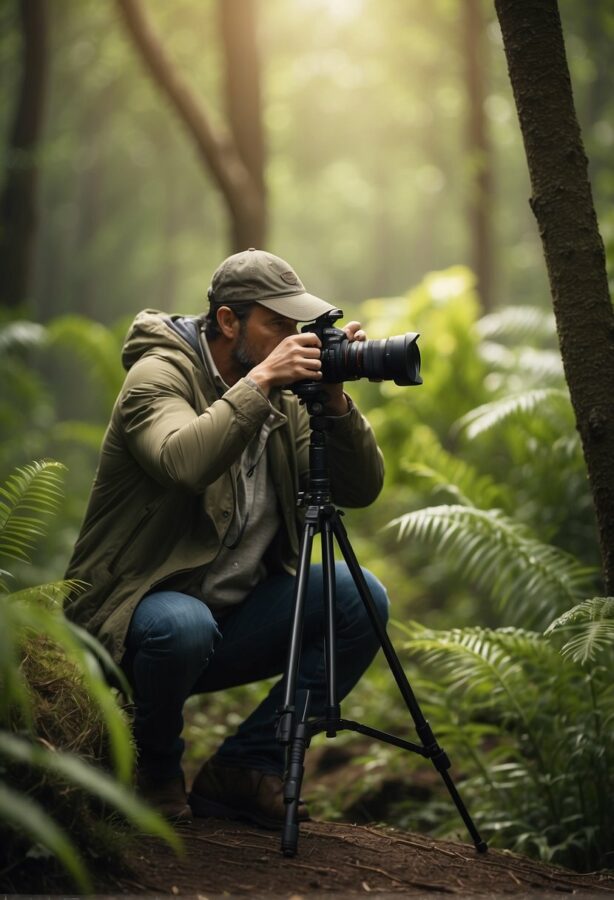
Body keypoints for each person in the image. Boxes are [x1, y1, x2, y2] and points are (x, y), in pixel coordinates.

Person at [64, 248, 389, 825]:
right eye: (278, 324)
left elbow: (361, 488)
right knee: (182, 625)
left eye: (299, 325)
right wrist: (261, 380)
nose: (294, 338)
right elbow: (181, 461)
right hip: (134, 619)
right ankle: (155, 767)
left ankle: (248, 765)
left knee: (360, 598)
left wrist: (336, 400)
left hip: (229, 621)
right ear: (228, 321)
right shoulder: (157, 377)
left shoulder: (287, 396)